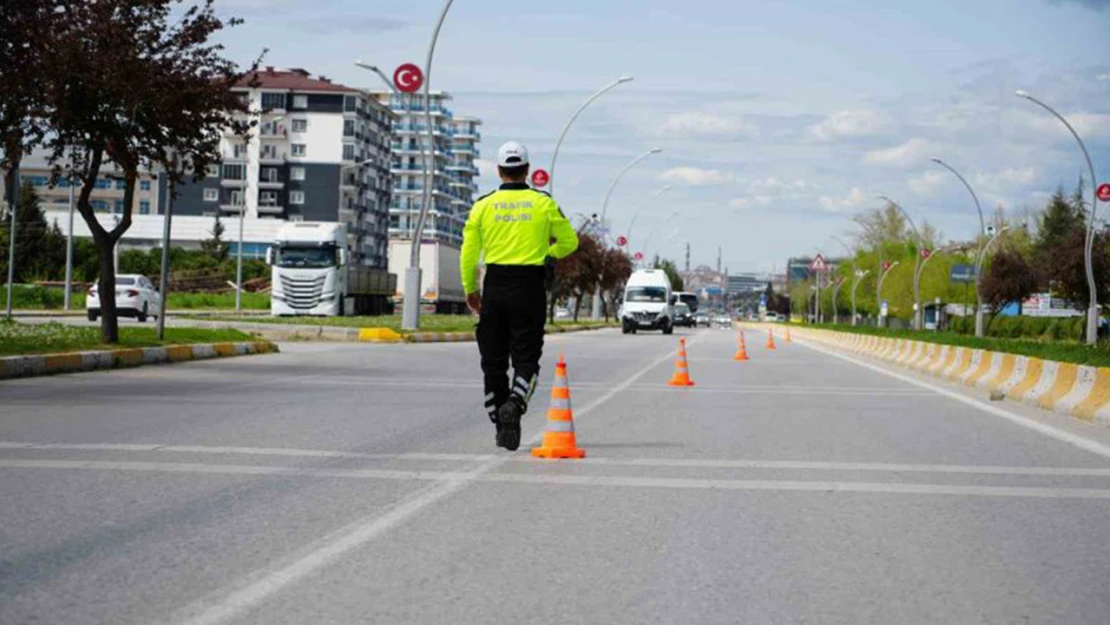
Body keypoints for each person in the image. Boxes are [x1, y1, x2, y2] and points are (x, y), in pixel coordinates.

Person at [460, 141, 579, 451]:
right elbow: (570, 242)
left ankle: (501, 424)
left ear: (499, 171)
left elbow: (468, 254)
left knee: (493, 363)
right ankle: (515, 401)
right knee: (526, 358)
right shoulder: (543, 203)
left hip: (495, 285)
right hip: (529, 287)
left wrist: (471, 290)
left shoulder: (483, 206)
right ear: (526, 170)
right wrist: (548, 253)